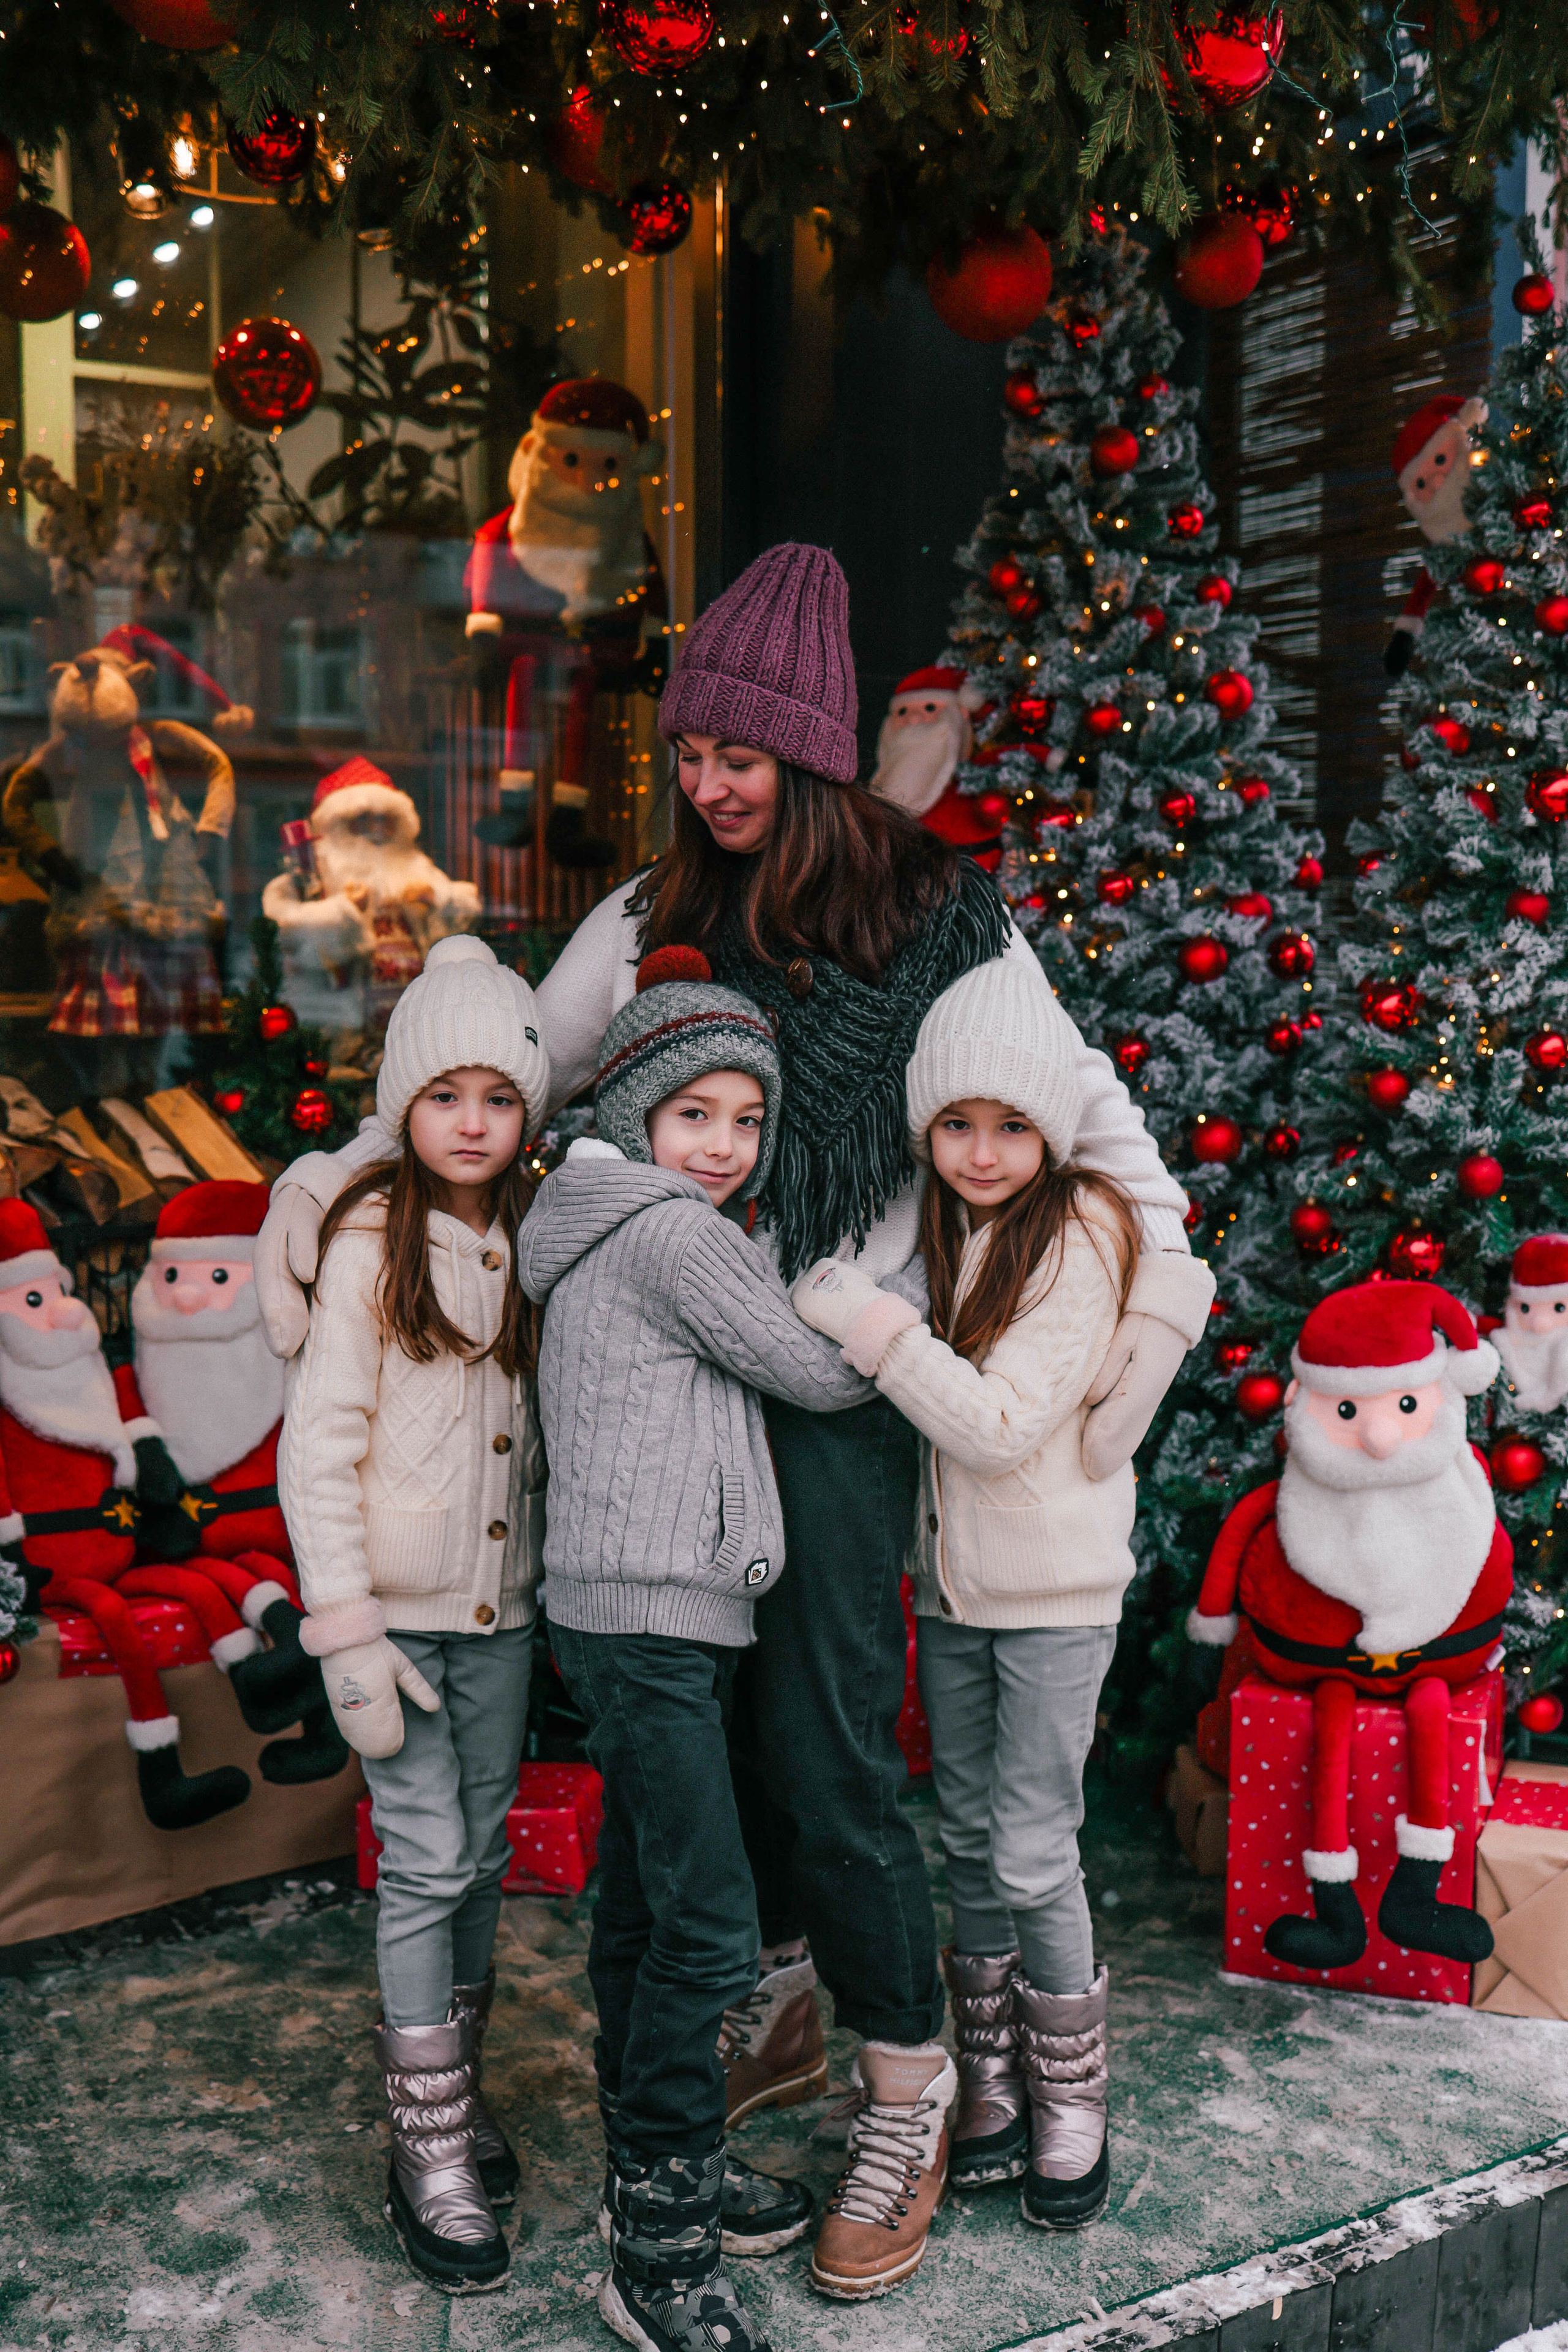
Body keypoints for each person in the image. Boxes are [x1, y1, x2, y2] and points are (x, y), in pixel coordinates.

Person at [254, 540, 1212, 2297]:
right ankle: (749, 2027)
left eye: (741, 757)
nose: (707, 784)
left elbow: (1117, 1167)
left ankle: (907, 2093)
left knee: (839, 1756)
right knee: (692, 1763)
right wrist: (330, 1177)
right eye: (690, 752)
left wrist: (1129, 1366)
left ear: (822, 757)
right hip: (660, 1403)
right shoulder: (642, 917)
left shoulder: (945, 921)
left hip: (841, 1398)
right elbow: (495, 1091)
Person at [795, 958, 1212, 2245]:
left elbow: (990, 1425)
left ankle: (1072, 2096)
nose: (980, 1153)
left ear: (1051, 1129)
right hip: (960, 1591)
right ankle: (987, 2080)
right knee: (969, 1834)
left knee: (1029, 1842)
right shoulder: (943, 1220)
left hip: (1052, 1592)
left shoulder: (1081, 1228)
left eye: (1010, 1125)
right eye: (957, 1125)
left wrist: (866, 1326)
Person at [518, 948, 881, 2351]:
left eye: (746, 1122)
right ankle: (659, 2243)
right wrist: (880, 1316)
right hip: (651, 1616)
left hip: (635, 1608)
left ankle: (646, 2173)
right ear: (635, 1118)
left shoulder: (598, 1219)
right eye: (696, 1118)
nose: (723, 1149)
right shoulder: (670, 1233)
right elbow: (813, 1370)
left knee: (643, 1905)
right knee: (716, 1928)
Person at [279, 933, 551, 2296]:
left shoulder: (535, 1230)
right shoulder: (369, 1240)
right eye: (445, 1097)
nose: (472, 1124)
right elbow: (316, 1446)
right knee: (427, 1857)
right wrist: (347, 1629)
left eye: (497, 1100)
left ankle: (456, 2091)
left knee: (484, 1851)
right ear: (405, 1105)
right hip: (394, 1619)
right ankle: (424, 2149)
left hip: (501, 1616)